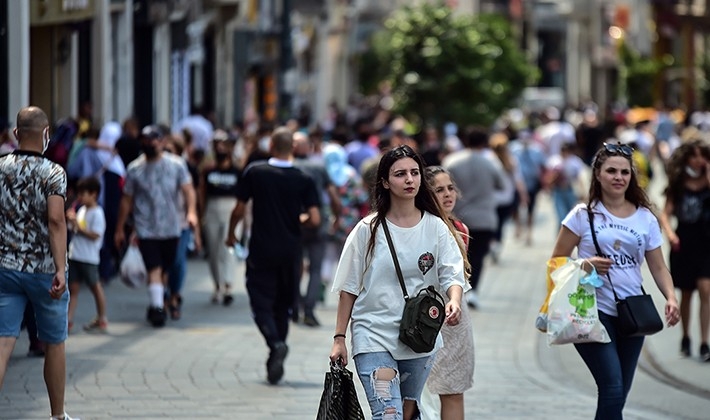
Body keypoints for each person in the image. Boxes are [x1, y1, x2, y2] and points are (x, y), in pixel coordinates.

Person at [329, 145, 467, 420]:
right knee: (388, 413)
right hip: (373, 336)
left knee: (406, 412)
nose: (409, 180)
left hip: (420, 338)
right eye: (400, 174)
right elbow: (349, 288)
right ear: (384, 181)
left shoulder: (436, 227)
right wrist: (339, 338)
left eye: (415, 173)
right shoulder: (367, 230)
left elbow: (452, 273)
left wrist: (454, 300)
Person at [550, 142, 680, 419]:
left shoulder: (645, 218)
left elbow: (658, 266)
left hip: (632, 312)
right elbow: (556, 262)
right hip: (590, 313)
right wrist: (584, 264)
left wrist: (670, 297)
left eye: (624, 172)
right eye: (611, 171)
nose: (618, 177)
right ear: (597, 174)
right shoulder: (582, 216)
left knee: (619, 392)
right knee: (611, 388)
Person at [225, 127, 320, 385]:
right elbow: (314, 218)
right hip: (291, 251)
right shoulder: (303, 178)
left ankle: (275, 343)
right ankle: (277, 348)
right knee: (283, 304)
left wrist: (231, 234)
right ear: (293, 148)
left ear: (270, 147)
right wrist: (295, 218)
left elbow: (238, 209)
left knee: (259, 300)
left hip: (261, 248)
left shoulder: (256, 172)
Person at [0, 106, 77, 419]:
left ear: (16, 134)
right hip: (44, 271)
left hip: (5, 267)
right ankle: (57, 415)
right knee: (54, 342)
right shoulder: (54, 172)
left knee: (4, 340)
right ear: (46, 134)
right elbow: (56, 220)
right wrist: (60, 268)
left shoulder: (0, 167)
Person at [114, 125, 198, 328]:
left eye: (154, 139)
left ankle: (160, 300)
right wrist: (119, 228)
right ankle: (158, 307)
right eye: (146, 139)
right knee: (154, 266)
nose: (150, 143)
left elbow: (188, 190)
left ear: (162, 141)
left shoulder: (177, 165)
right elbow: (127, 199)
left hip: (172, 225)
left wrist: (192, 212)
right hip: (146, 227)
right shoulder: (135, 169)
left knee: (166, 266)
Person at [421, 166, 474, 420]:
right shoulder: (419, 227)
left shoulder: (460, 228)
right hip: (422, 316)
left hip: (454, 317)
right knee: (416, 391)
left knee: (453, 389)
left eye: (450, 188)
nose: (447, 194)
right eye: (438, 190)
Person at [442, 126, 506, 308]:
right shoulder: (491, 163)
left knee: (457, 257)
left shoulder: (451, 161)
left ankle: (457, 291)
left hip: (457, 216)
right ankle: (473, 290)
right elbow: (502, 185)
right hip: (484, 216)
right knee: (477, 257)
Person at [658, 140, 710, 361]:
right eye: (694, 156)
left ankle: (705, 342)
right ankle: (686, 337)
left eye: (703, 156)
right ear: (687, 158)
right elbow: (665, 213)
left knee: (706, 290)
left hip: (707, 241)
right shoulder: (679, 183)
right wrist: (670, 234)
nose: (699, 161)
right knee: (686, 293)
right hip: (684, 241)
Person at [292, 131, 341, 326]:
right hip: (317, 220)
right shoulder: (319, 167)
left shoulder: (288, 167)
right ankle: (309, 310)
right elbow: (333, 196)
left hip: (294, 223)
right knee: (315, 268)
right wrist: (337, 216)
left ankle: (296, 307)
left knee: (295, 267)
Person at [199, 129, 240, 305]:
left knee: (228, 248)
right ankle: (217, 285)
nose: (221, 148)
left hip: (231, 206)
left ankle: (228, 285)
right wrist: (202, 214)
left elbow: (243, 195)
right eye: (218, 145)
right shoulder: (208, 170)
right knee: (214, 250)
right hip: (212, 207)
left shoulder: (237, 170)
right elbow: (202, 193)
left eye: (224, 145)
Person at [66, 176, 108, 334]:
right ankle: (69, 319)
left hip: (89, 257)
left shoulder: (98, 213)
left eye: (83, 194)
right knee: (73, 288)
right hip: (75, 254)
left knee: (95, 287)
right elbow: (76, 230)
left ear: (94, 194)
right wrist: (71, 222)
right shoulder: (82, 210)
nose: (80, 197)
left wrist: (77, 226)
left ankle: (102, 317)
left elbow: (96, 235)